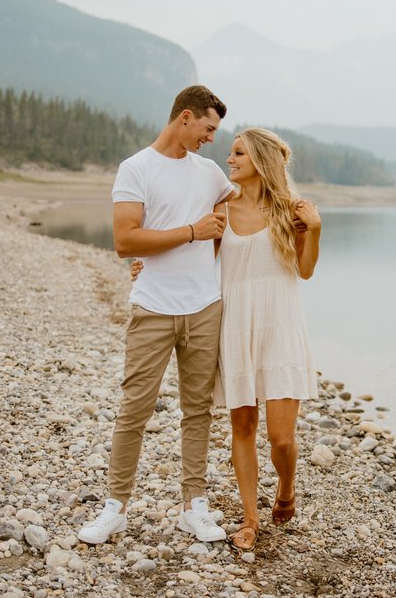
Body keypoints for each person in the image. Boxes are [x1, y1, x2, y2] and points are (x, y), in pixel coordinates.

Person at [131, 127, 322, 551]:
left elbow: (305, 271)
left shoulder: (290, 210)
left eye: (238, 153)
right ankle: (251, 517)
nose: (229, 159)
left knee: (282, 438)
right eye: (230, 152)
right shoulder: (222, 207)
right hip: (234, 323)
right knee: (242, 424)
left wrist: (316, 228)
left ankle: (287, 486)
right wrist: (149, 267)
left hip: (280, 325)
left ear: (261, 161)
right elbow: (196, 256)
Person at [77, 85, 235, 545]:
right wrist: (191, 233)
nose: (211, 139)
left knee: (198, 411)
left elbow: (241, 210)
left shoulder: (209, 174)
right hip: (153, 308)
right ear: (185, 117)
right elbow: (125, 241)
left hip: (205, 307)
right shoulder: (136, 168)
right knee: (134, 410)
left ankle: (194, 507)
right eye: (208, 128)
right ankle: (115, 508)